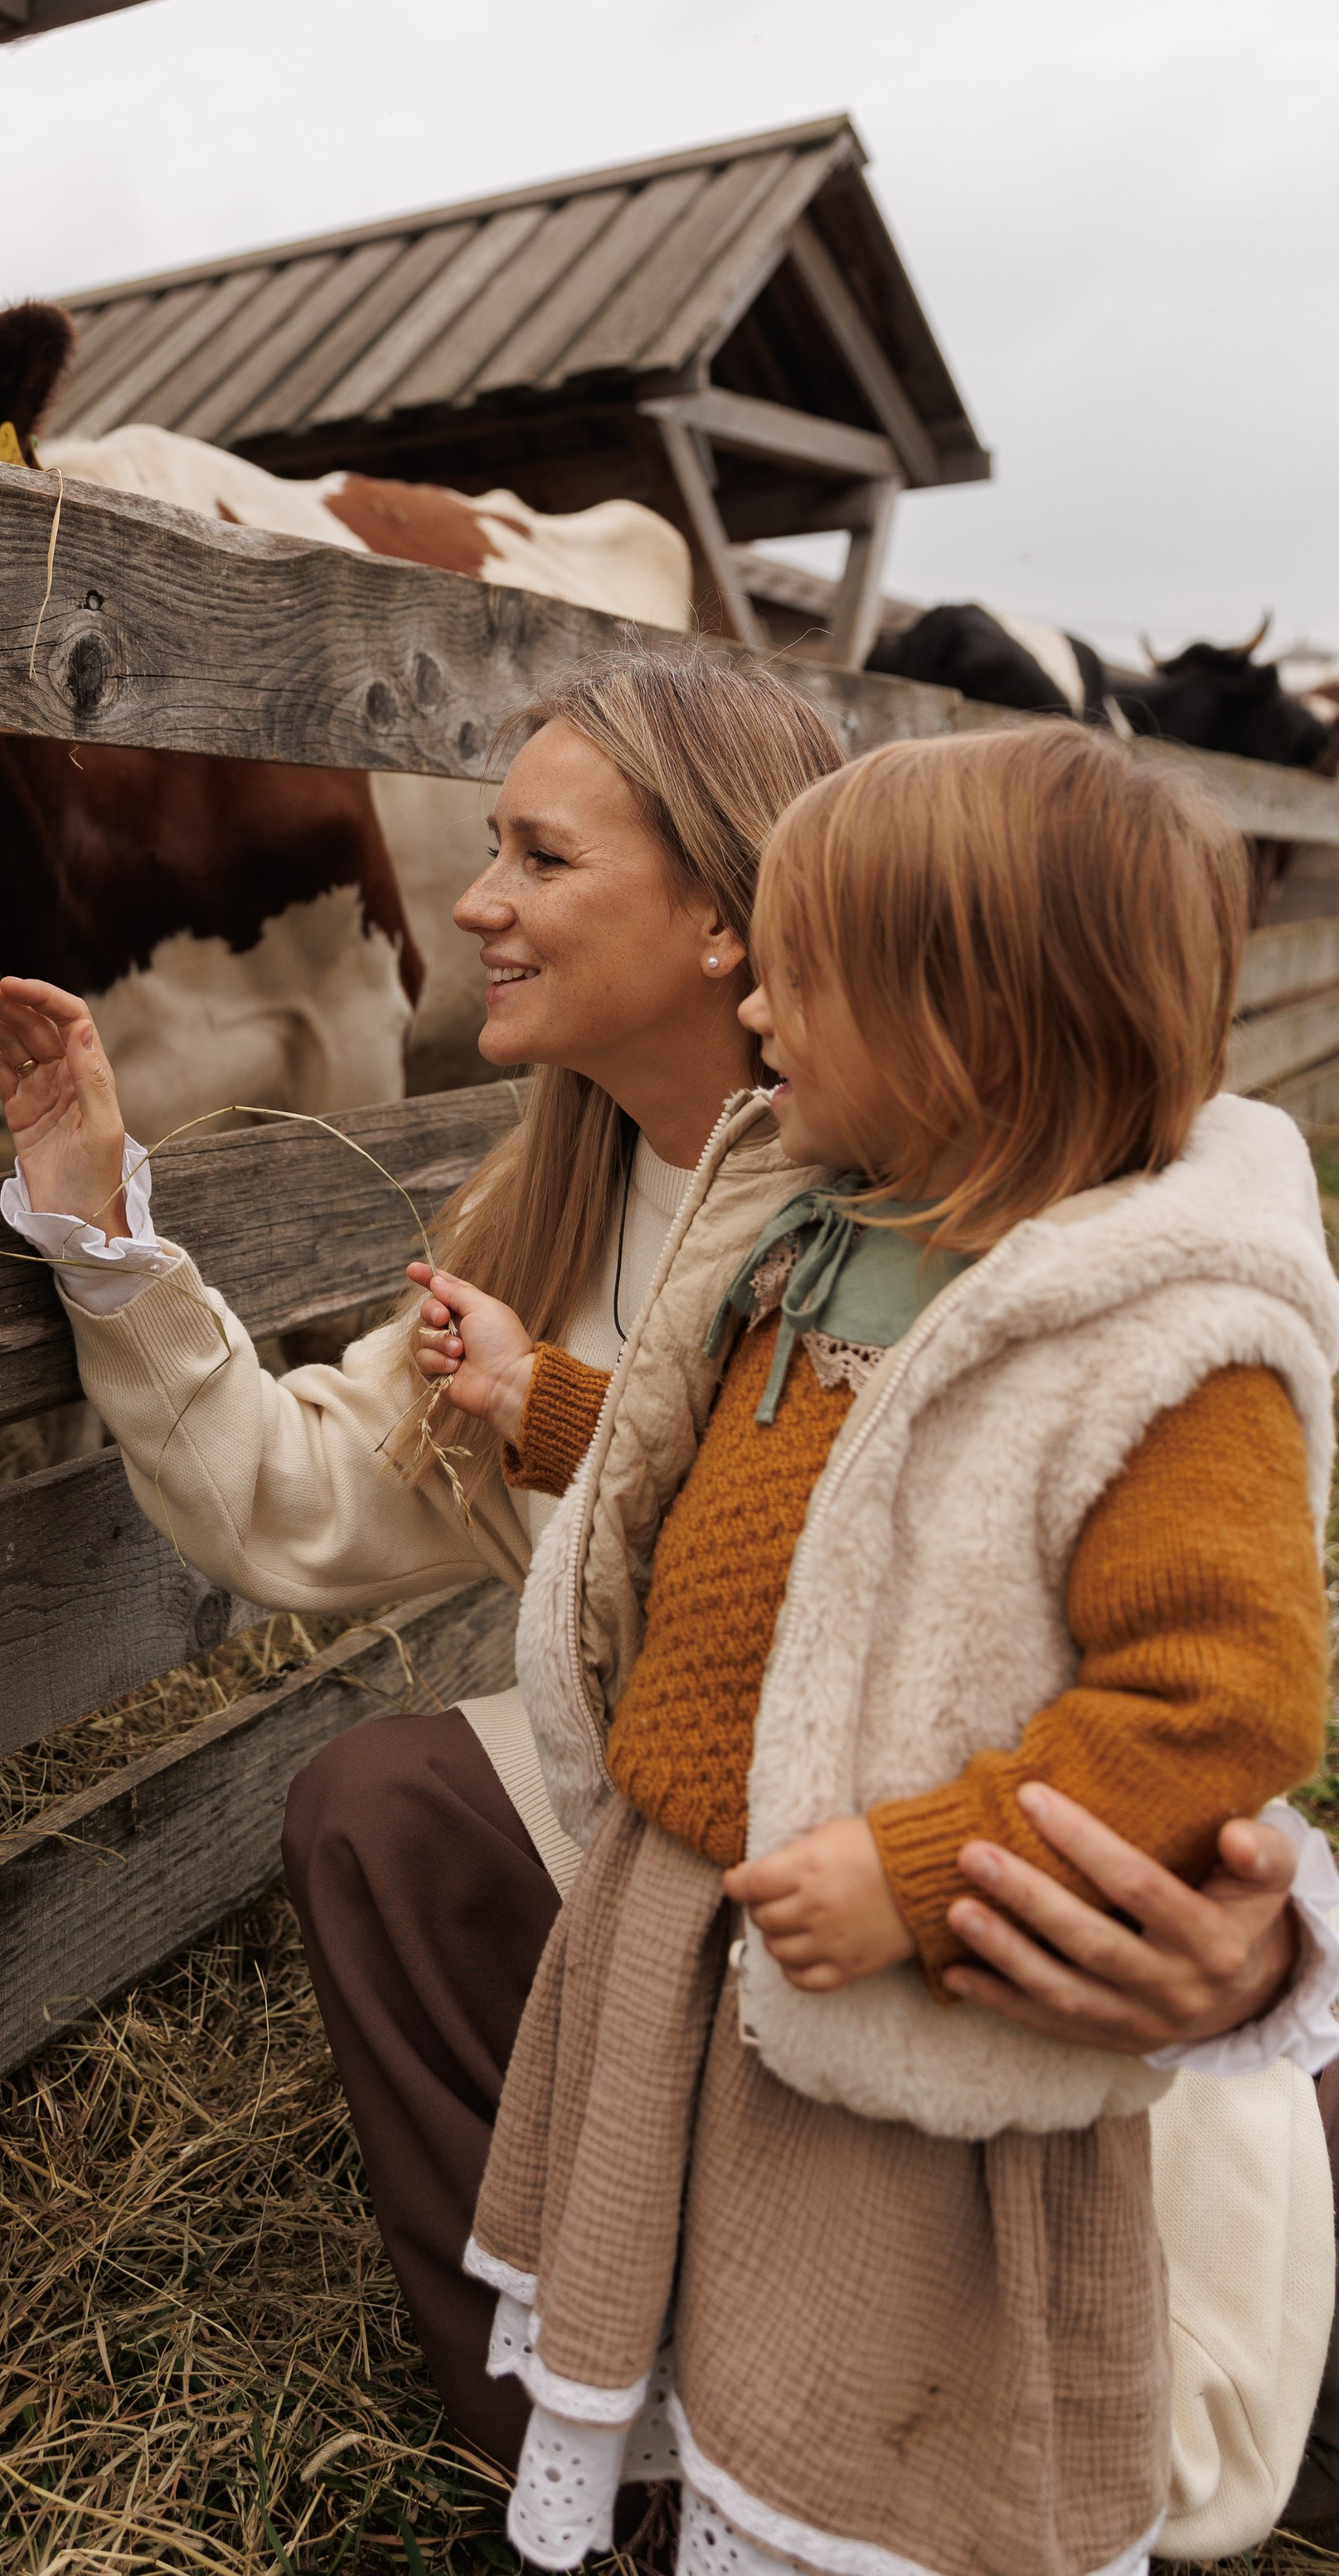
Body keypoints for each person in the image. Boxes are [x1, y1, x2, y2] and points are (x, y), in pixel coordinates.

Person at [0, 645, 1339, 2540]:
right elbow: (296, 1505)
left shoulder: (1037, 1224)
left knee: (1162, 2391)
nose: (466, 899)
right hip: (713, 1848)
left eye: (537, 855)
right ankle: (586, 2442)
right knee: (384, 1808)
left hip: (987, 1873)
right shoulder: (555, 1212)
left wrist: (1247, 1964)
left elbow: (1133, 1657)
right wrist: (103, 1227)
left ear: (717, 917)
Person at [457, 724, 1337, 2574]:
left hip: (894, 1982)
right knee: (706, 2304)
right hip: (690, 1900)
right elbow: (723, 1483)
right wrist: (538, 1410)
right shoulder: (832, 1226)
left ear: (973, 1032)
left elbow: (1221, 1696)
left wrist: (924, 1873)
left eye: (801, 974)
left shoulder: (1145, 1341)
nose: (756, 1008)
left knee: (859, 2363)